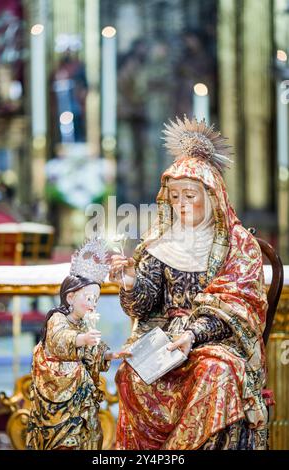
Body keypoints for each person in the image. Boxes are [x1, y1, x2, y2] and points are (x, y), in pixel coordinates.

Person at [110, 116, 268, 450]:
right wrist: (130, 282)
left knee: (215, 372)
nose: (181, 205)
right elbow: (144, 305)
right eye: (175, 197)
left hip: (217, 343)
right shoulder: (161, 241)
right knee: (131, 376)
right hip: (165, 342)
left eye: (190, 196)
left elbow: (240, 304)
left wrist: (193, 334)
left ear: (211, 197)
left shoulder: (237, 244)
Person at [26, 237, 129, 450]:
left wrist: (108, 355)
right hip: (57, 393)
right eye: (88, 298)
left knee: (87, 433)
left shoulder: (82, 323)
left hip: (80, 395)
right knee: (62, 439)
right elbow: (59, 341)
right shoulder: (57, 318)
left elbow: (92, 349)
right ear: (70, 297)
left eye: (96, 300)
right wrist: (81, 339)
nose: (92, 304)